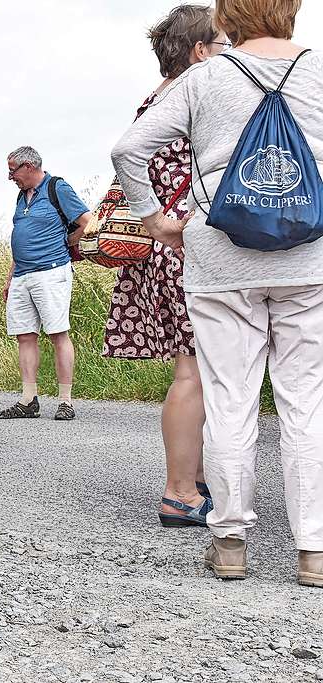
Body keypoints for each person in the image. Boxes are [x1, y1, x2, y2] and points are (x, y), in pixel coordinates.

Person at [111, 0, 323, 585]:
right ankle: (314, 550)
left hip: (219, 256)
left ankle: (229, 540)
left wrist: (155, 220)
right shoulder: (319, 71)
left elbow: (128, 149)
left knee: (230, 395)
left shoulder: (204, 77)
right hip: (308, 258)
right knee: (306, 400)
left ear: (228, 17)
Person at [104, 5, 230, 529]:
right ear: (200, 51)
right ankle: (180, 491)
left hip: (158, 247)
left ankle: (193, 480)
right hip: (182, 242)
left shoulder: (152, 100)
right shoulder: (194, 98)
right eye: (221, 45)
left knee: (191, 369)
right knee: (194, 372)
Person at [0, 146, 92, 422]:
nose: (10, 176)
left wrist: (67, 242)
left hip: (51, 272)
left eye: (12, 170)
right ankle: (28, 400)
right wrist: (9, 277)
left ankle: (65, 401)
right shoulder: (21, 196)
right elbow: (21, 236)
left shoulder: (57, 188)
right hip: (22, 275)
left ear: (28, 166)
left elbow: (87, 221)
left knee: (57, 334)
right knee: (25, 335)